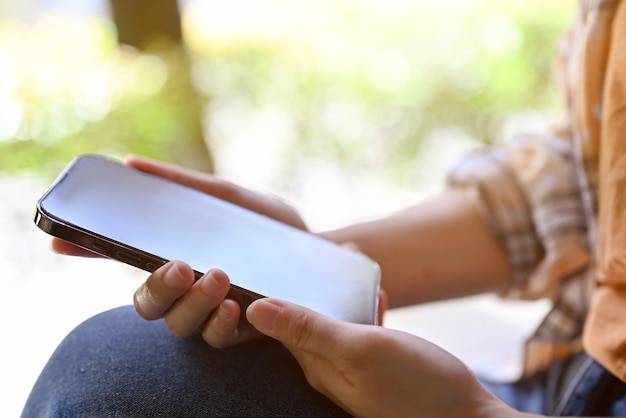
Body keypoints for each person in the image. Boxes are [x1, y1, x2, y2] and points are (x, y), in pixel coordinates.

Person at [21, 0, 626, 416]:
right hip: (575, 374)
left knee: (110, 382)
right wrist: (304, 261)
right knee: (123, 362)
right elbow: (587, 185)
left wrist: (469, 413)